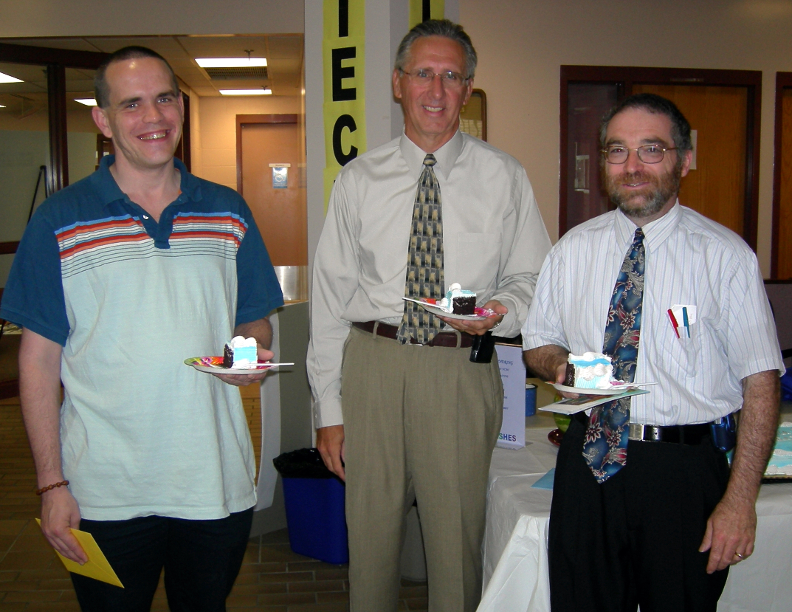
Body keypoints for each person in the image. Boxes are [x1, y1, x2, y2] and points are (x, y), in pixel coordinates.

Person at [0, 46, 283, 611]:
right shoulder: (59, 219)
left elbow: (255, 316)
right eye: (132, 104)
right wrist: (52, 485)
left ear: (180, 107)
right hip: (103, 491)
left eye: (164, 99)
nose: (153, 118)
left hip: (213, 484)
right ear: (103, 119)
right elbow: (36, 361)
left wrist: (248, 355)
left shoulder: (227, 211)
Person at [307, 19, 551, 612]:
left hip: (459, 370)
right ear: (398, 84)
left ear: (468, 90)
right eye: (423, 74)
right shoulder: (358, 180)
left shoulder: (505, 177)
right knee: (369, 542)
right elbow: (330, 300)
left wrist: (501, 312)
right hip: (373, 366)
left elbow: (534, 279)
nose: (436, 90)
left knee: (457, 545)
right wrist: (328, 409)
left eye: (452, 76)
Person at [522, 93, 784, 612]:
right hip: (589, 463)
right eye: (618, 151)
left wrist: (740, 500)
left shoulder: (725, 257)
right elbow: (538, 342)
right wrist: (559, 365)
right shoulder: (571, 250)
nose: (633, 167)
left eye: (651, 150)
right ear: (602, 164)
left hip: (681, 475)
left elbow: (761, 381)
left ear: (684, 159)